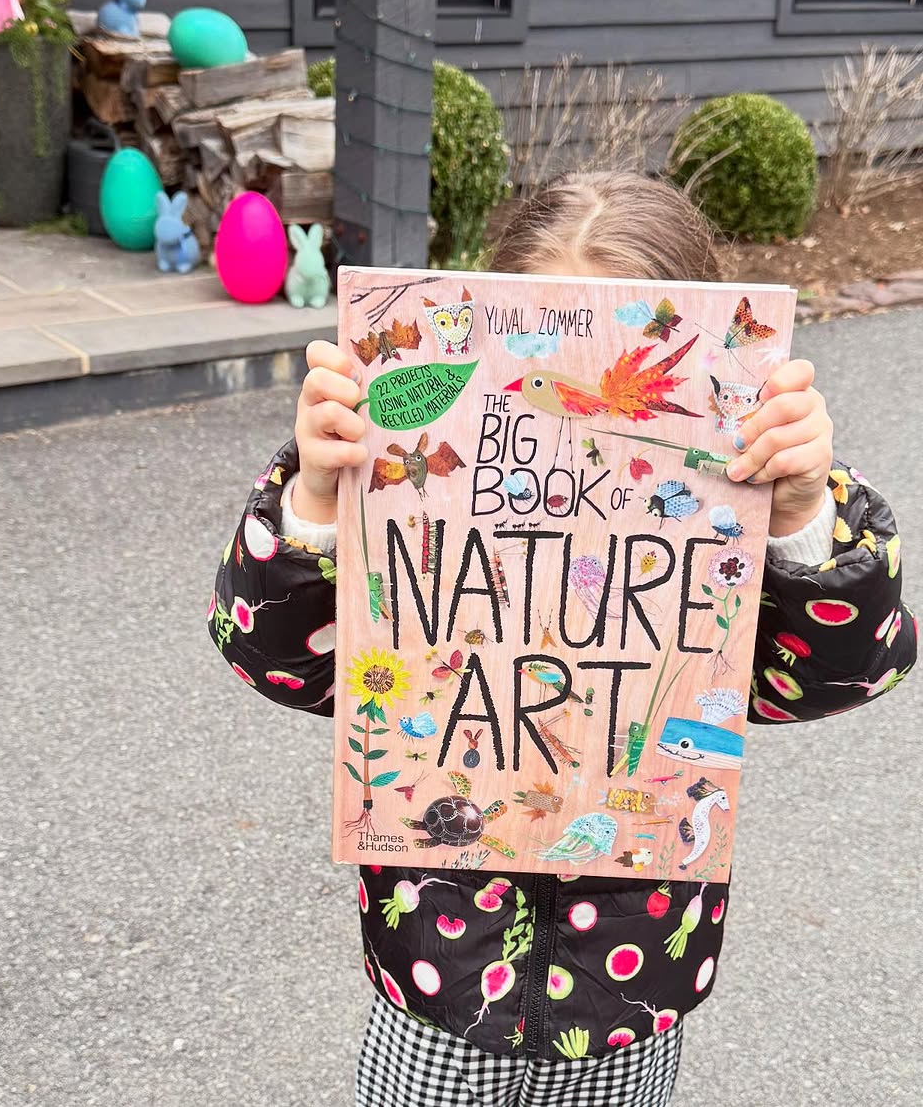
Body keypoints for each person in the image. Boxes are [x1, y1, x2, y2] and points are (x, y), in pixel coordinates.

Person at [208, 172, 915, 1107]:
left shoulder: (728, 497)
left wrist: (797, 516)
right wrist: (314, 499)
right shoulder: (410, 490)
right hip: (438, 982)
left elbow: (831, 676)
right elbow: (282, 662)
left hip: (627, 988)